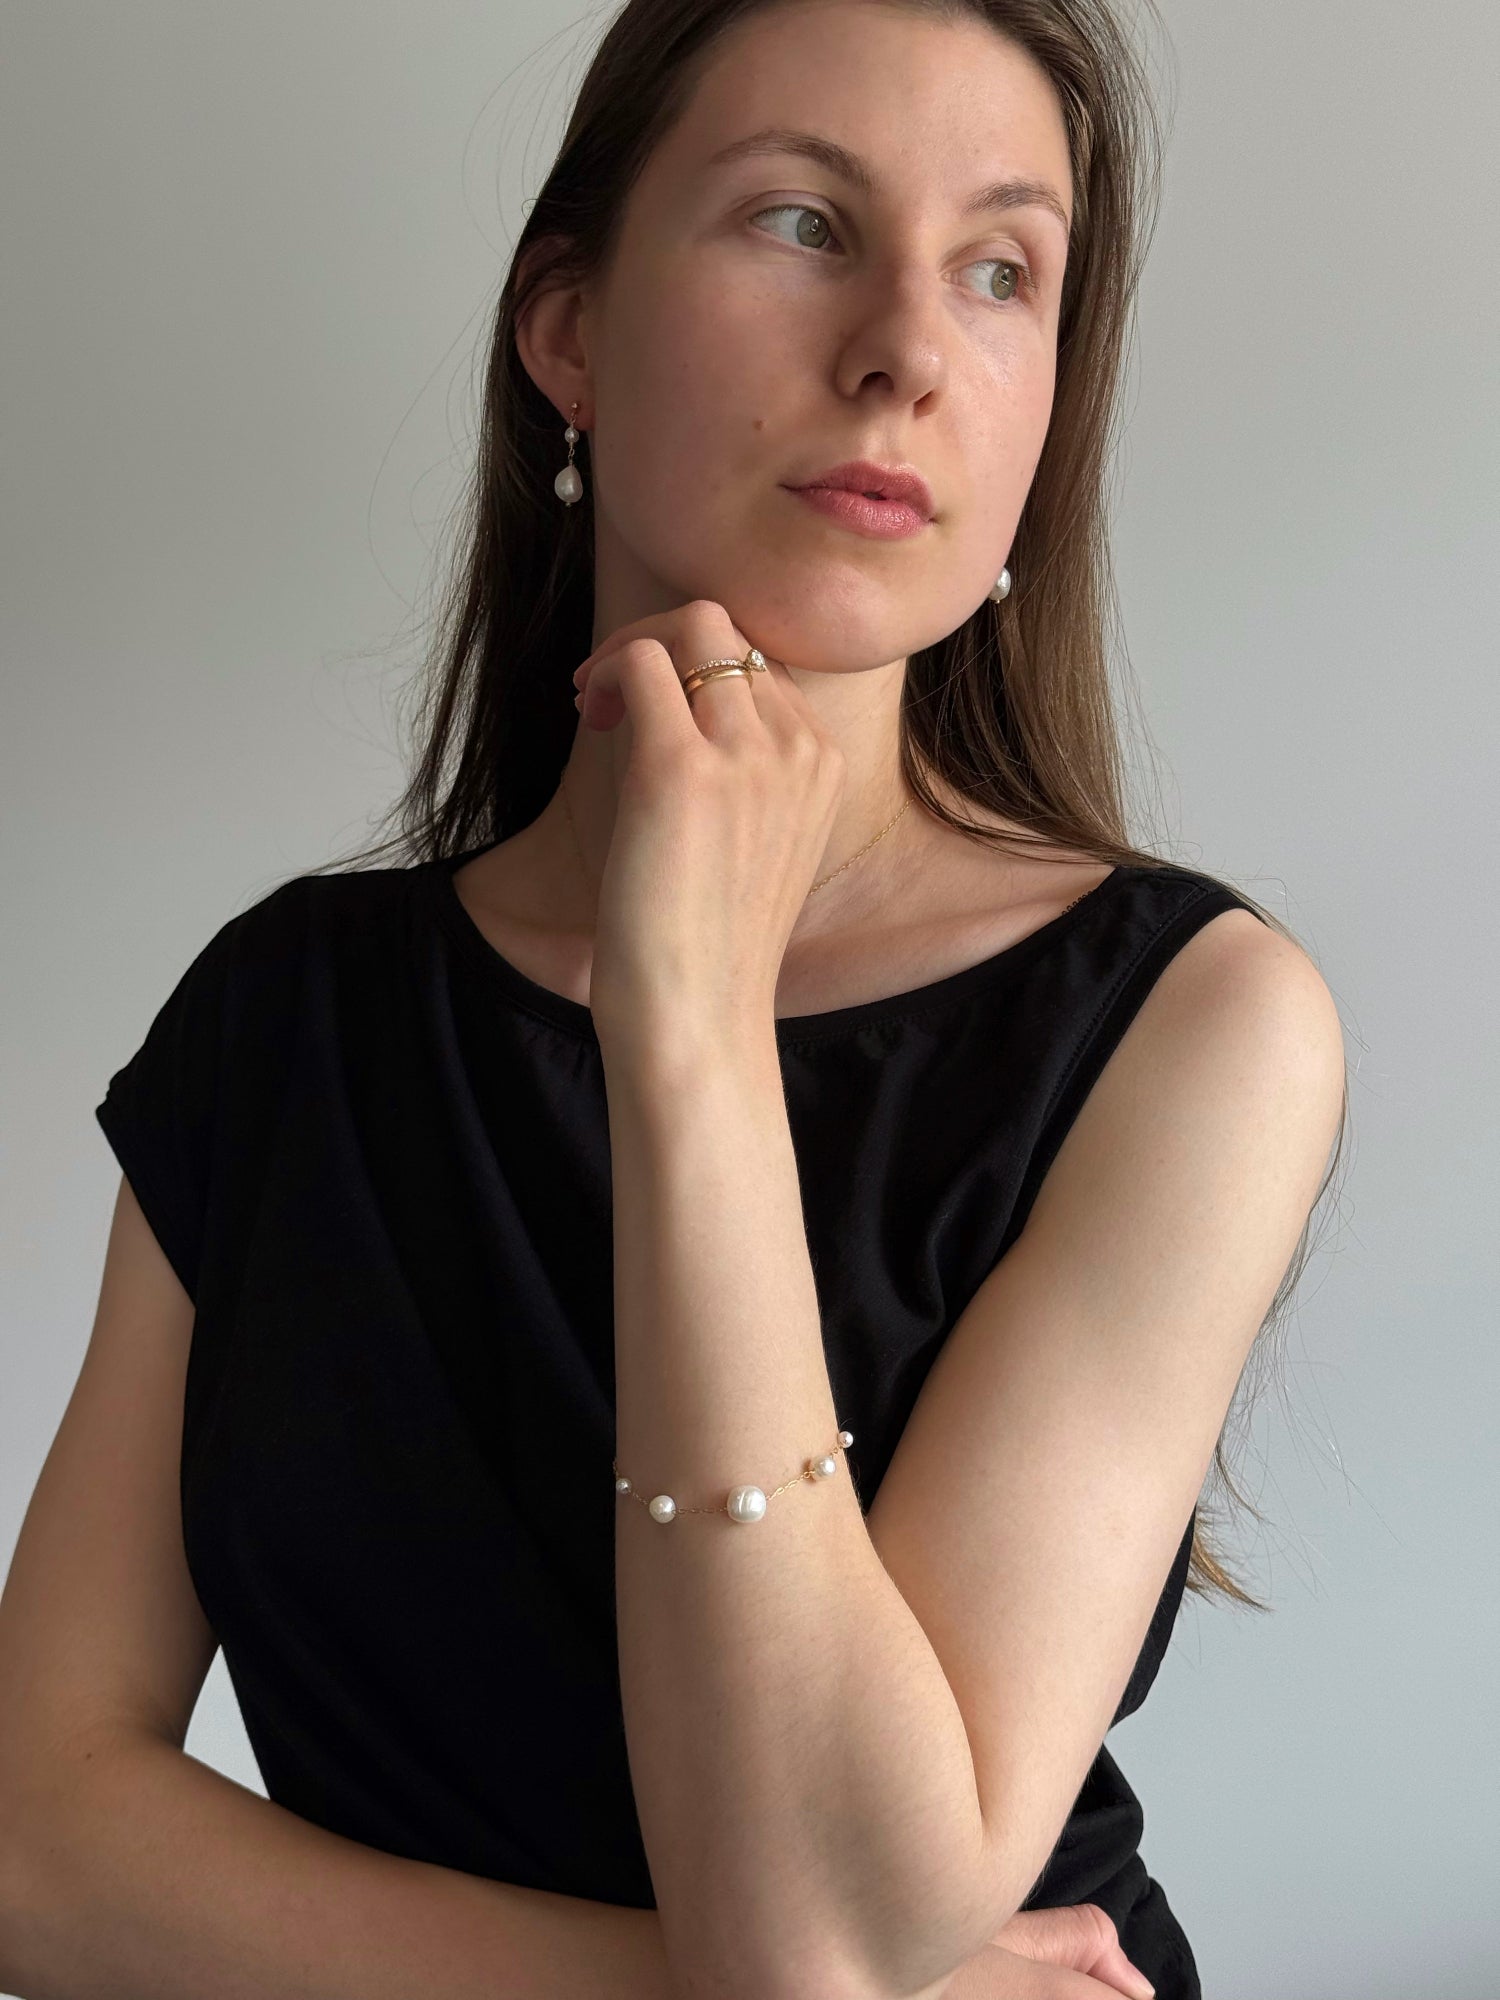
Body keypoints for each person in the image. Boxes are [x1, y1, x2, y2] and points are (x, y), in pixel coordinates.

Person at [0, 2, 1349, 1996]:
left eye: (1001, 269)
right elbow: (32, 1849)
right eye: (803, 221)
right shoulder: (280, 1016)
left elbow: (823, 1916)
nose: (906, 347)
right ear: (567, 332)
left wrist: (695, 1026)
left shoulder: (1199, 1025)